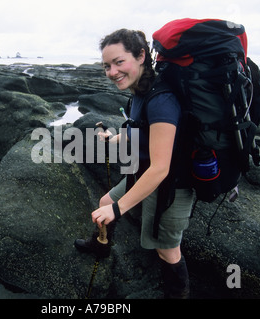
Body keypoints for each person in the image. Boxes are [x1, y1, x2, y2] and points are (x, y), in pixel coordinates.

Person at [74, 29, 194, 299]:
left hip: (171, 185)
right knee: (105, 201)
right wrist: (112, 138)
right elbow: (139, 129)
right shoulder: (140, 91)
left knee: (167, 249)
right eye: (106, 66)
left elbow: (161, 167)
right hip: (141, 172)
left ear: (141, 56)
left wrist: (119, 209)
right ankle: (101, 246)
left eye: (119, 62)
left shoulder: (162, 100)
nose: (112, 71)